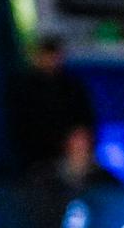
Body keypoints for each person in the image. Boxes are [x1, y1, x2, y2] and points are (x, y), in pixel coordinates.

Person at [12, 34, 96, 175]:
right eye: (47, 55)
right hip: (37, 152)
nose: (51, 60)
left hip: (68, 151)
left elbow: (85, 118)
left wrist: (76, 141)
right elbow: (22, 125)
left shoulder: (72, 86)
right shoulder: (24, 87)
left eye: (54, 56)